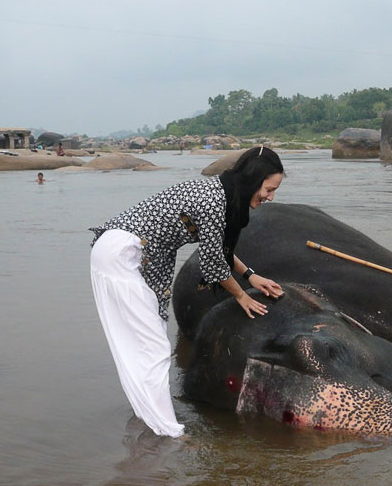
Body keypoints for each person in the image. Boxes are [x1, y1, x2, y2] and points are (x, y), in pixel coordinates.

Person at [89, 146, 285, 437]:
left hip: (125, 252)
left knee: (146, 341)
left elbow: (219, 250)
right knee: (152, 347)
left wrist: (250, 276)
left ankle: (150, 419)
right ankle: (168, 432)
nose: (271, 197)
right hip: (123, 253)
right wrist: (242, 295)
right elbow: (212, 264)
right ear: (253, 180)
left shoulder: (222, 194)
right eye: (269, 189)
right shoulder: (214, 200)